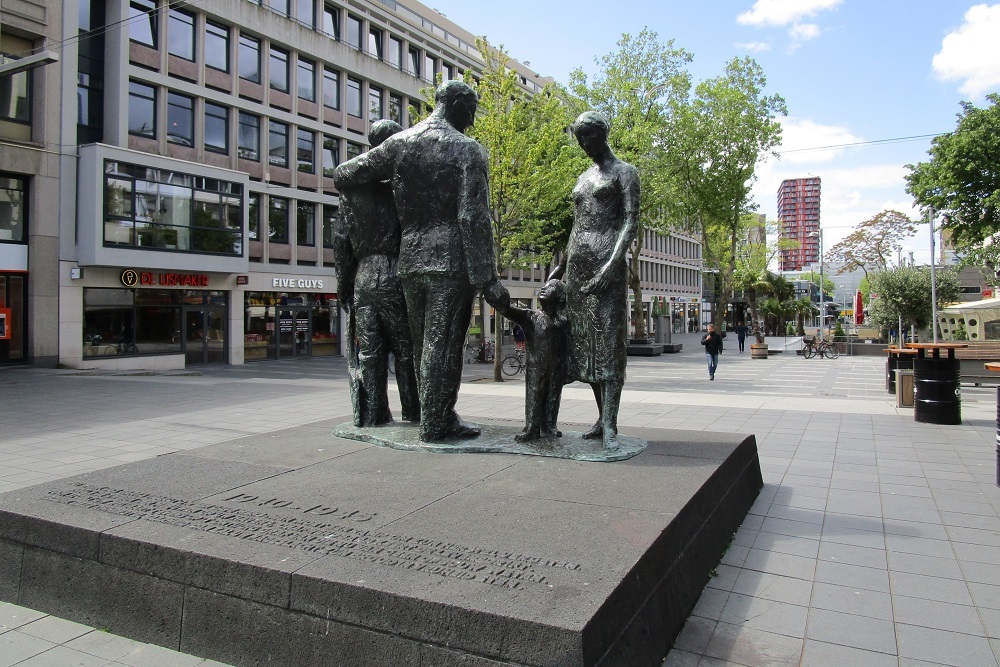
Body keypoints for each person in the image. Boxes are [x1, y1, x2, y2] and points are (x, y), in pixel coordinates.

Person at [334, 80, 509, 442]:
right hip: (450, 259)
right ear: (459, 105)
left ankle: (433, 416)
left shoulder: (400, 144)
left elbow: (343, 174)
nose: (472, 121)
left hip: (410, 261)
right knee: (443, 344)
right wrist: (486, 277)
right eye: (472, 111)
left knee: (421, 344)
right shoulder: (467, 150)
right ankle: (437, 422)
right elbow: (472, 217)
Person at [553, 111, 639, 450]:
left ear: (602, 134)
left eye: (587, 137)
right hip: (578, 265)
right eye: (579, 138)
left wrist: (610, 267)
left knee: (608, 346)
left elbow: (630, 223)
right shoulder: (583, 176)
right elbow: (575, 225)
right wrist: (561, 266)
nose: (583, 144)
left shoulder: (624, 172)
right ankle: (602, 419)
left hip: (606, 265)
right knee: (586, 348)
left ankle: (611, 425)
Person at [334, 119, 419, 427]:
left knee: (371, 352)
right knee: (406, 349)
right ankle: (414, 412)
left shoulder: (351, 192)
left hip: (363, 277)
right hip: (394, 271)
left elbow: (342, 242)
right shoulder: (400, 189)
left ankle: (372, 415)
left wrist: (343, 285)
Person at [498, 279, 568, 442]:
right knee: (534, 396)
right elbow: (508, 310)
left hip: (556, 366)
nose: (544, 289)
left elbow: (567, 346)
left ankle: (550, 425)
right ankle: (532, 427)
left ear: (559, 298)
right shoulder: (530, 316)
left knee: (553, 396)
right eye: (544, 286)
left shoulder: (563, 322)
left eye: (550, 288)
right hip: (536, 366)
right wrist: (499, 297)